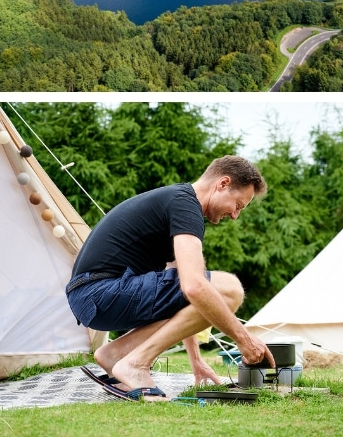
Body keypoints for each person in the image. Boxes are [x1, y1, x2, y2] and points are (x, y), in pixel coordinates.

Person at [66, 155, 274, 400]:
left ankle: (116, 354)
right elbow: (194, 287)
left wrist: (196, 361)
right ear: (222, 183)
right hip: (100, 292)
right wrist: (244, 339)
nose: (235, 215)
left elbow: (183, 295)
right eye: (238, 205)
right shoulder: (185, 205)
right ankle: (135, 364)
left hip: (92, 297)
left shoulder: (178, 204)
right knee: (229, 289)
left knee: (211, 293)